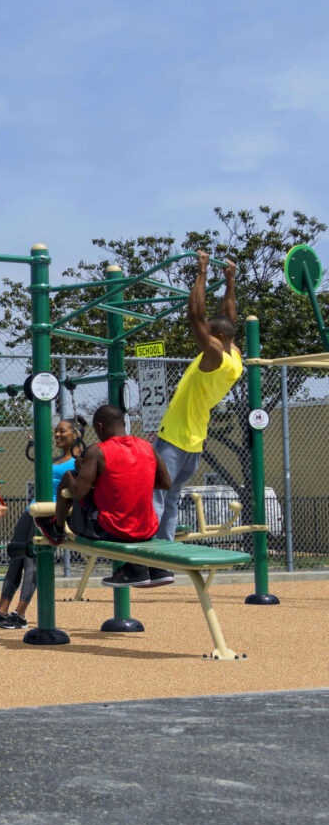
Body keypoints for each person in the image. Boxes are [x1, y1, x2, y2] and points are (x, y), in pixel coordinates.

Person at [146, 251, 242, 586]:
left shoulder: (213, 356)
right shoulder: (233, 355)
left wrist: (201, 270)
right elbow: (226, 315)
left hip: (175, 437)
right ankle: (163, 562)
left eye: (208, 335)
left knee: (154, 496)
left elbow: (195, 314)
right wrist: (230, 280)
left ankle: (145, 559)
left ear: (215, 338)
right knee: (169, 499)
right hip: (195, 440)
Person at [35, 404, 172, 587]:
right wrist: (133, 478)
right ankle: (140, 569)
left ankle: (56, 529)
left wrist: (76, 475)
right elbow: (166, 483)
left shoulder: (98, 451)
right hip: (146, 529)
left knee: (69, 477)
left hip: (111, 531)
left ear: (100, 426)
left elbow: (78, 492)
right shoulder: (147, 447)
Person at [0, 418, 81, 631]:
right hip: (31, 509)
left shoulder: (79, 462)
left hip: (49, 511)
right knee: (16, 556)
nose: (56, 434)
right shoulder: (53, 459)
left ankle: (20, 613)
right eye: (55, 431)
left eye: (62, 431)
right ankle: (1, 611)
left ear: (76, 434)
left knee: (31, 561)